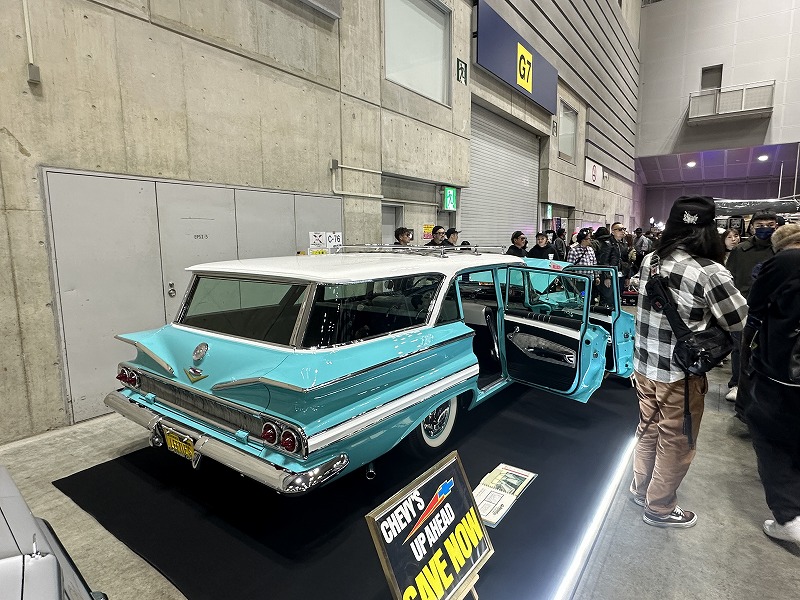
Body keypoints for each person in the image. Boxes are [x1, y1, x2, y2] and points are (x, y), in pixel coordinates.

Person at [632, 196, 747, 528]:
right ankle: (660, 508)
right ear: (710, 231)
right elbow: (739, 320)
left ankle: (641, 490)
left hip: (644, 366)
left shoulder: (651, 260)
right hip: (679, 374)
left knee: (648, 429)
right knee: (677, 440)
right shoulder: (711, 271)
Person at [742, 223, 800, 545]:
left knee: (771, 435)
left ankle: (789, 516)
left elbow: (754, 306)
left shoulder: (784, 262)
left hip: (784, 371)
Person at [724, 211, 777, 403]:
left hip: (773, 308)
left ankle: (764, 386)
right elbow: (729, 277)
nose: (765, 229)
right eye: (760, 225)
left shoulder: (781, 250)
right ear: (752, 227)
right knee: (740, 347)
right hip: (744, 305)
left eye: (770, 225)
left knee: (768, 349)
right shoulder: (741, 250)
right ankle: (737, 383)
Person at [593, 226, 620, 307]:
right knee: (607, 296)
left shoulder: (596, 242)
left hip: (597, 270)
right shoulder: (609, 243)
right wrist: (607, 276)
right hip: (607, 272)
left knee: (601, 295)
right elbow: (605, 260)